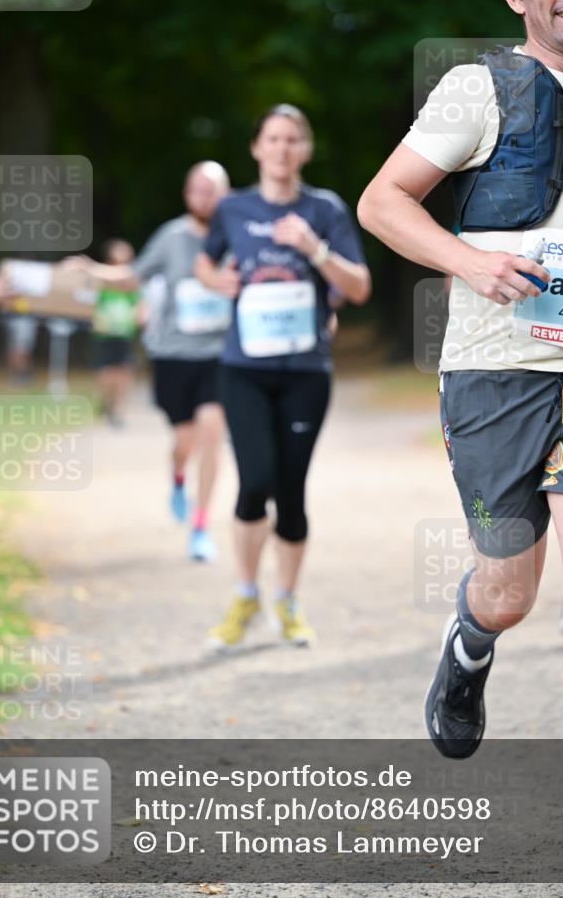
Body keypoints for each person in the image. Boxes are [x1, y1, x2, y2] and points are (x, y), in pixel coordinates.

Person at [357, 0, 563, 898]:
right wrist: (469, 259)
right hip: (497, 372)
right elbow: (385, 202)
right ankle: (468, 648)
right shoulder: (483, 87)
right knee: (508, 590)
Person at [195, 104, 371, 650]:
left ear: (305, 149)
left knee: (291, 493)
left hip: (304, 373)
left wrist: (313, 250)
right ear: (256, 148)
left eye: (293, 139)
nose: (282, 149)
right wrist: (216, 281)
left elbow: (359, 287)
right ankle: (245, 593)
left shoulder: (324, 210)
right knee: (255, 480)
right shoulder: (232, 208)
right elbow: (205, 263)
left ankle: (287, 604)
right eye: (272, 139)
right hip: (243, 369)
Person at [63, 161, 231, 562]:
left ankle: (201, 524)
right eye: (196, 190)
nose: (203, 197)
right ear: (186, 194)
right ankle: (177, 479)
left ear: (225, 193)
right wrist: (92, 271)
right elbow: (131, 277)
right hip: (174, 355)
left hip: (219, 355)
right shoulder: (171, 237)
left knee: (211, 432)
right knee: (184, 441)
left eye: (211, 190)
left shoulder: (238, 234)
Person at [91, 239, 142, 428]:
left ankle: (117, 409)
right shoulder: (100, 279)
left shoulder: (132, 280)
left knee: (123, 372)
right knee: (106, 371)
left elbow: (138, 302)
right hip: (105, 332)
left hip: (125, 332)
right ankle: (106, 402)